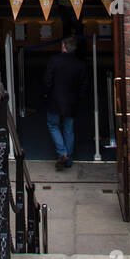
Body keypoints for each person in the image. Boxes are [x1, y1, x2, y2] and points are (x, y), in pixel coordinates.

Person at [43, 36, 88, 170]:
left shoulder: (54, 61)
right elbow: (83, 85)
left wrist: (46, 94)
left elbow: (47, 80)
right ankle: (68, 159)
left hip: (55, 100)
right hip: (71, 102)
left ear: (63, 47)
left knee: (53, 125)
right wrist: (78, 98)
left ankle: (62, 153)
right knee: (69, 130)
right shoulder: (80, 64)